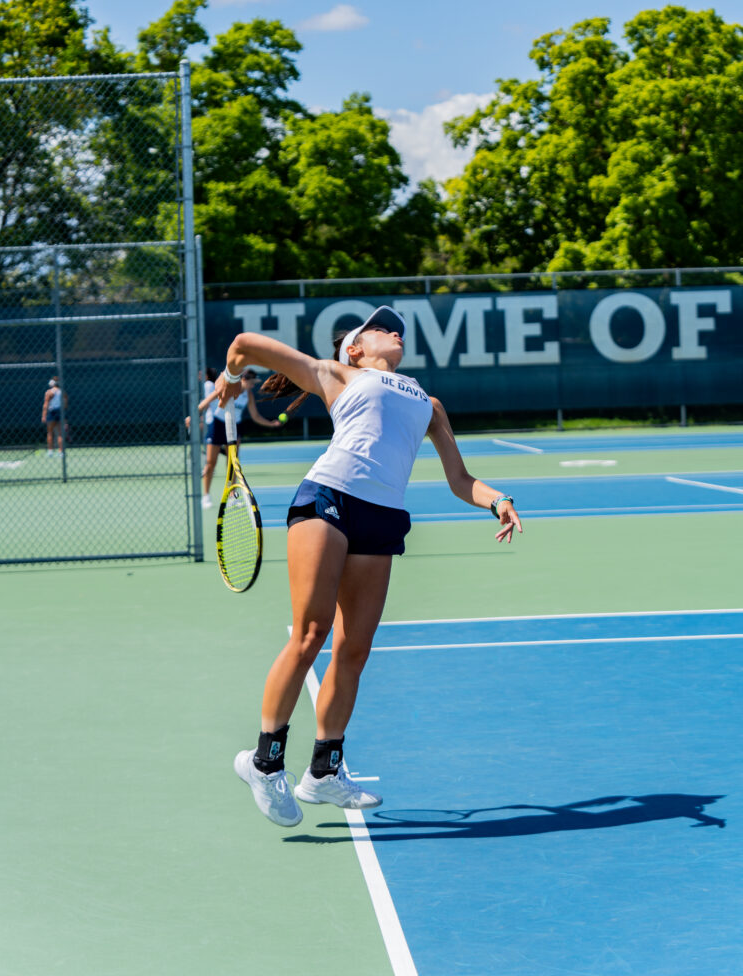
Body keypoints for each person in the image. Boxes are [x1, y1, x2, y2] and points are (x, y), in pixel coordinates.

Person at [215, 306, 523, 828]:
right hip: (328, 497)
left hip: (383, 515)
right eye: (380, 328)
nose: (393, 330)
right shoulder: (335, 374)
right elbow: (243, 344)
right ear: (354, 348)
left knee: (354, 649)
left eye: (396, 326)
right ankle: (265, 763)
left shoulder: (429, 404)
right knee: (310, 634)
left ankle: (324, 771)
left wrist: (497, 500)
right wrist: (228, 380)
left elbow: (459, 478)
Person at [191, 369, 284, 509]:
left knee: (233, 464)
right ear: (244, 380)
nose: (253, 386)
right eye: (252, 383)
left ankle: (232, 496)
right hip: (217, 425)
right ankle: (206, 496)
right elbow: (206, 402)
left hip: (235, 427)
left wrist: (271, 424)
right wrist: (193, 417)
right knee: (210, 463)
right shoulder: (228, 388)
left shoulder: (248, 395)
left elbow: (255, 416)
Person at [41, 377, 67, 456]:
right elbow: (65, 404)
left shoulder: (49, 392)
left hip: (52, 412)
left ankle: (50, 451)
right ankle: (61, 452)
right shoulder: (62, 392)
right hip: (59, 412)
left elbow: (46, 404)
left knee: (50, 432)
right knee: (60, 433)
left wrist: (44, 415)